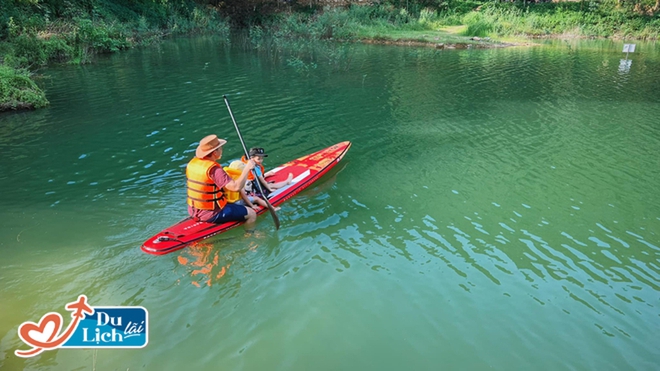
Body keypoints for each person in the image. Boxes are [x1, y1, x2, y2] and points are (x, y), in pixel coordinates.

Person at [186, 134, 257, 230]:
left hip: (193, 210)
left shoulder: (192, 164)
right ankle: (250, 237)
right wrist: (247, 168)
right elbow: (236, 187)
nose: (222, 150)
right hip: (211, 213)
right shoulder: (214, 170)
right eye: (220, 148)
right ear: (215, 152)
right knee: (252, 214)